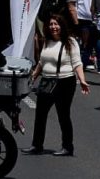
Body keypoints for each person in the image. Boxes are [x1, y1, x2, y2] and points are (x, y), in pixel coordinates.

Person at [25, 14, 89, 157]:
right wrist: (34, 76)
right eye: (51, 24)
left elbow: (77, 63)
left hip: (64, 82)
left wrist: (82, 80)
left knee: (63, 115)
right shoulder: (47, 41)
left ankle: (67, 147)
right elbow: (42, 62)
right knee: (40, 114)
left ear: (62, 26)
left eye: (56, 24)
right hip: (47, 82)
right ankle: (37, 145)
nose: (53, 27)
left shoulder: (70, 42)